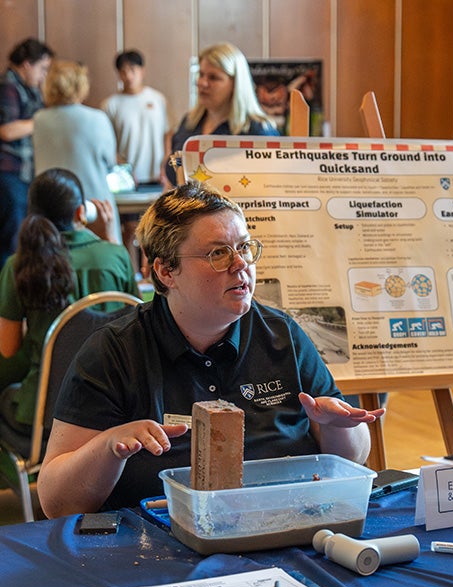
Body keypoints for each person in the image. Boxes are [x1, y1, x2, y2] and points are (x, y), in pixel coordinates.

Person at [37, 183, 383, 517]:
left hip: (283, 528)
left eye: (244, 247)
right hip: (156, 547)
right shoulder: (114, 350)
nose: (240, 265)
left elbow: (354, 459)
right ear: (165, 271)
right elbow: (56, 503)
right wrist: (109, 447)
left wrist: (337, 426)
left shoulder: (281, 335)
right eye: (218, 253)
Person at [0, 168, 139, 446]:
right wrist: (111, 240)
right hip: (112, 412)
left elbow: (8, 347)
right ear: (80, 212)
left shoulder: (18, 265)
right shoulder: (115, 256)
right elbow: (135, 320)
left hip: (44, 418)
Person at [33, 60, 122, 243]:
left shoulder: (39, 120)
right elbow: (110, 162)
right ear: (81, 85)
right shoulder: (97, 118)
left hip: (51, 205)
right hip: (93, 205)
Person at [165, 42, 279, 186]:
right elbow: (171, 179)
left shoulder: (258, 131)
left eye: (213, 78)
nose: (202, 83)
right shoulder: (189, 123)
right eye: (201, 74)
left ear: (235, 84)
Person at [0, 38, 54, 268]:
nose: (44, 75)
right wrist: (44, 120)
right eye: (42, 68)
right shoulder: (8, 87)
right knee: (10, 242)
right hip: (9, 174)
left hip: (23, 175)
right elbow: (7, 130)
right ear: (27, 64)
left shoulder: (27, 89)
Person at [101, 49, 170, 186]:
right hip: (126, 179)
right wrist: (122, 170)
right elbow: (106, 144)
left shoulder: (158, 99)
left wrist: (166, 165)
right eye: (123, 71)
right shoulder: (110, 105)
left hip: (158, 177)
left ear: (142, 70)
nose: (128, 76)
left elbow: (167, 134)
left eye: (132, 69)